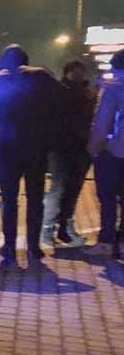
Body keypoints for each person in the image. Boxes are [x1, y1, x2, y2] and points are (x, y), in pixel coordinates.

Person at [0, 44, 61, 268]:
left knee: (9, 199)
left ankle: (10, 248)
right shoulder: (43, 77)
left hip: (7, 147)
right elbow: (58, 107)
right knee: (35, 198)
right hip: (37, 146)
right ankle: (34, 247)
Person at [42, 60, 96, 246]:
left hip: (80, 148)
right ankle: (48, 229)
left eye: (83, 72)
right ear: (68, 72)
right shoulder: (59, 91)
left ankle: (64, 228)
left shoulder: (88, 93)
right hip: (62, 148)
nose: (81, 75)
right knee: (58, 189)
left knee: (73, 190)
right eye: (77, 72)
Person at [85, 49, 124, 257]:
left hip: (114, 151)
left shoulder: (113, 87)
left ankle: (106, 242)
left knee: (108, 198)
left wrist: (94, 149)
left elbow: (103, 122)